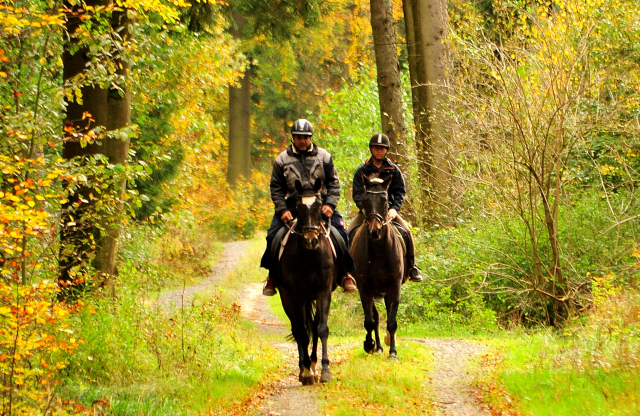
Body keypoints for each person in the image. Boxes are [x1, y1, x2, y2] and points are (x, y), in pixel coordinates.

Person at [261, 118, 357, 296]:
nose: (302, 140)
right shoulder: (282, 159)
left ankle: (345, 274)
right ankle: (272, 277)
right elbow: (276, 187)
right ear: (293, 138)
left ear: (311, 137)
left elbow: (334, 183)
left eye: (305, 137)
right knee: (272, 236)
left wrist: (330, 204)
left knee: (342, 234)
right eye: (298, 137)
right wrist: (282, 210)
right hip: (292, 207)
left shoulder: (324, 157)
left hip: (319, 207)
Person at [348, 133, 423, 282]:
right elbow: (357, 193)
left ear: (386, 150)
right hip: (367, 212)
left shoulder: (393, 170)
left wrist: (394, 208)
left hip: (388, 212)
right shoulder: (362, 171)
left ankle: (412, 267)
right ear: (371, 149)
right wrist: (364, 209)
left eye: (382, 148)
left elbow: (400, 191)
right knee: (348, 233)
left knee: (407, 232)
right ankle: (347, 271)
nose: (378, 151)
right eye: (376, 148)